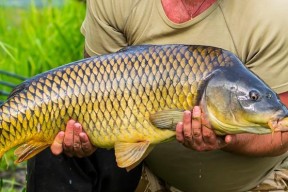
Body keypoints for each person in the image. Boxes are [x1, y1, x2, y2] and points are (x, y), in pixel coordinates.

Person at [26, 0, 288, 191]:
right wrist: (86, 133)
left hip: (251, 184)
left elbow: (283, 129)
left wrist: (225, 138)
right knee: (51, 124)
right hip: (146, 171)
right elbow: (94, 89)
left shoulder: (273, 15)